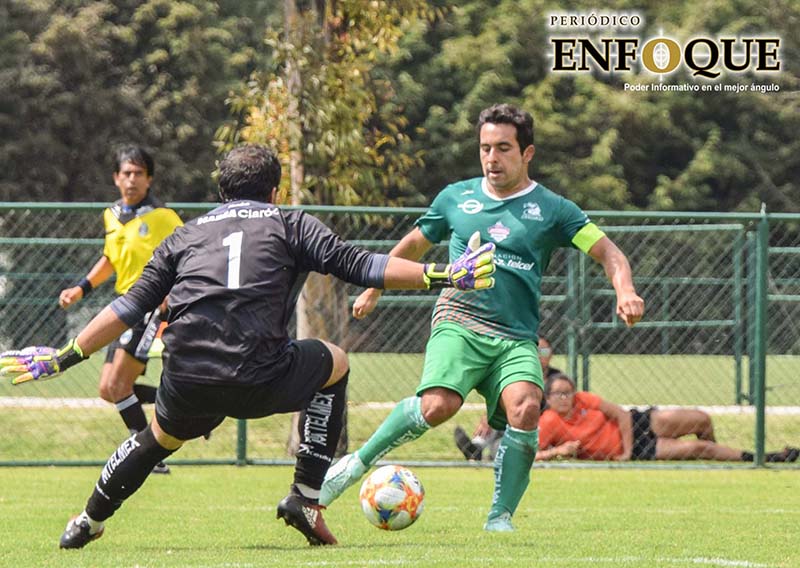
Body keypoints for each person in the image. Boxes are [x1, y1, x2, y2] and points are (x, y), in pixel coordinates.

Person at [0, 144, 497, 549]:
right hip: (261, 378)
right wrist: (442, 273)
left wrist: (65, 356)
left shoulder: (185, 236)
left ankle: (87, 520)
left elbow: (129, 307)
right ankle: (304, 496)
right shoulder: (290, 223)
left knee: (156, 440)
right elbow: (360, 264)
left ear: (220, 191)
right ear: (275, 191)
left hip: (188, 380)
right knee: (336, 364)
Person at [318, 103, 645, 532]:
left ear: (527, 153)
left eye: (503, 148)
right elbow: (414, 245)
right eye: (485, 148)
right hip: (460, 320)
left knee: (527, 408)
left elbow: (609, 252)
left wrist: (626, 290)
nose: (492, 158)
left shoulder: (554, 210)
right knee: (439, 406)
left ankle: (499, 518)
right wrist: (375, 284)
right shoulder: (456, 198)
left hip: (515, 337)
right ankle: (355, 464)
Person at [58, 145, 183, 474]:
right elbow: (111, 260)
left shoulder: (163, 216)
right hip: (124, 307)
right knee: (107, 390)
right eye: (126, 173)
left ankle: (146, 453)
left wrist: (172, 294)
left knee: (118, 386)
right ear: (116, 178)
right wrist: (81, 288)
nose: (132, 179)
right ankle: (186, 402)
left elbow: (188, 255)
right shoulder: (111, 214)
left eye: (139, 173)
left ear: (149, 178)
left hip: (149, 308)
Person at [536, 373, 799, 463]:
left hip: (637, 426)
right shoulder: (548, 421)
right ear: (547, 398)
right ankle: (764, 457)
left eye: (567, 392)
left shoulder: (583, 398)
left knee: (701, 419)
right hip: (640, 448)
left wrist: (626, 451)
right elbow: (531, 454)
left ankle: (716, 456)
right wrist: (559, 450)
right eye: (558, 394)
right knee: (700, 447)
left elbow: (622, 415)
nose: (564, 398)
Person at [453, 335, 560, 461]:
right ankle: (476, 447)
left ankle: (496, 452)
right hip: (509, 419)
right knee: (492, 419)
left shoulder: (557, 379)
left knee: (501, 447)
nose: (539, 356)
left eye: (544, 351)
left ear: (551, 354)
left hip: (539, 424)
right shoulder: (517, 375)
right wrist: (489, 414)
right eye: (535, 351)